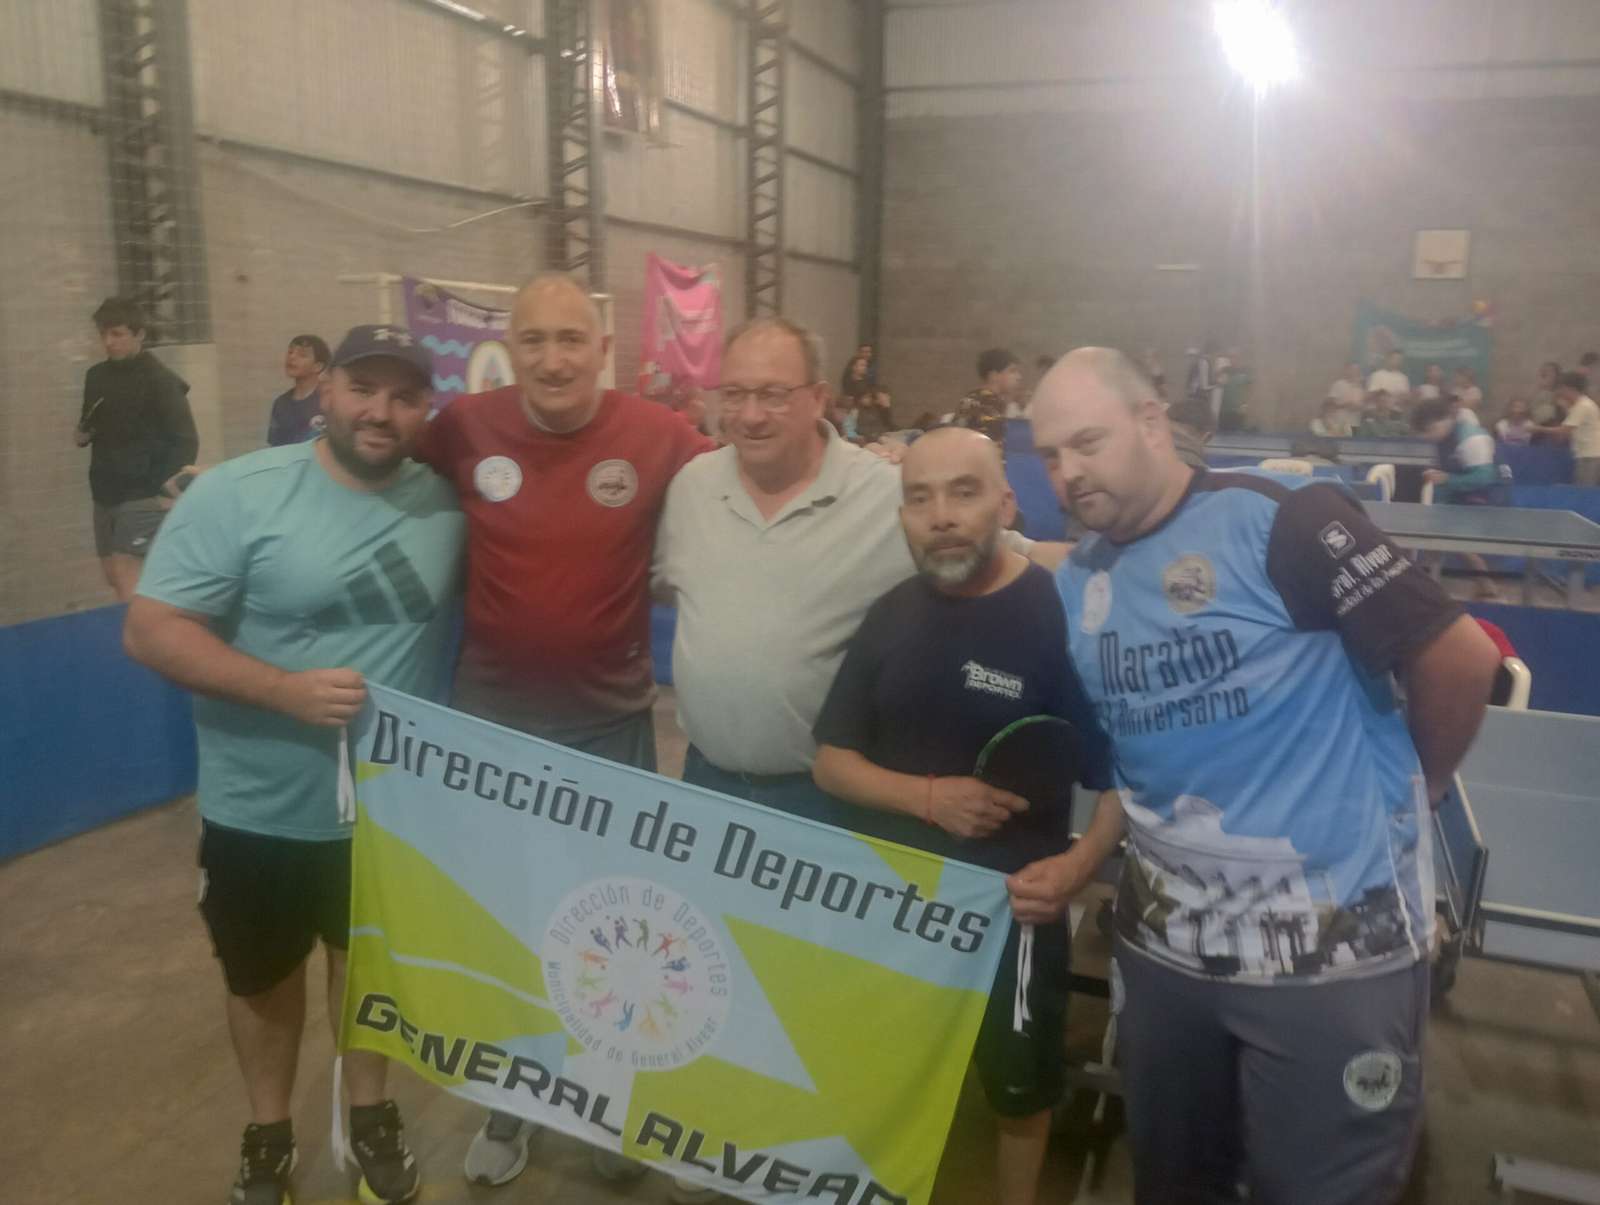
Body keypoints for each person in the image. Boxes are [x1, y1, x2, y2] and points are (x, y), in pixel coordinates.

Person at [1032, 347, 1500, 1205]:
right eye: (1049, 455)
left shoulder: (1285, 520)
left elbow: (1461, 659)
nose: (1068, 471)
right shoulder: (1080, 581)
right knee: (1174, 1184)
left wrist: (1423, 787)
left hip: (1333, 960)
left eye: (1087, 442)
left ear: (1150, 422)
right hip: (1167, 956)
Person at [123, 325, 463, 1205]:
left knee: (368, 972)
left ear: (426, 408)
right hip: (261, 807)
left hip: (389, 812)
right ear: (327, 391)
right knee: (264, 983)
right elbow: (151, 629)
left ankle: (370, 1115)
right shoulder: (240, 493)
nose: (380, 411)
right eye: (364, 388)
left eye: (404, 396)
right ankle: (269, 1134)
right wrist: (282, 691)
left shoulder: (446, 504)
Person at [413, 273, 717, 1195]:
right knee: (506, 931)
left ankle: (606, 1102)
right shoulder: (463, 427)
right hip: (491, 734)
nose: (552, 359)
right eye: (534, 340)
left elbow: (752, 481)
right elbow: (372, 475)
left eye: (570, 339)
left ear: (602, 350)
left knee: (611, 933)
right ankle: (510, 1102)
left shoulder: (660, 437)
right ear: (510, 348)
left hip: (610, 728)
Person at [811, 427, 1121, 1205]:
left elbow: (1122, 781)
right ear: (902, 516)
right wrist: (928, 798)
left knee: (1019, 1094)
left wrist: (1077, 868)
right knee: (880, 1077)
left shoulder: (1058, 617)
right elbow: (831, 762)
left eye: (963, 491)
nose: (941, 515)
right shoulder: (889, 615)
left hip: (1012, 916)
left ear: (1006, 504)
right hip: (893, 912)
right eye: (919, 498)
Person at [654, 318, 1051, 822]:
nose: (750, 416)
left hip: (823, 801)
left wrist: (1126, 563)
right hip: (703, 783)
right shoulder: (693, 487)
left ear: (819, 398)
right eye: (733, 394)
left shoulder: (885, 493)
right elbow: (669, 587)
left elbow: (1013, 557)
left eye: (773, 394)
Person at [76, 296, 199, 601]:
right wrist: (83, 433)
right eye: (104, 334)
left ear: (139, 334)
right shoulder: (96, 376)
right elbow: (87, 426)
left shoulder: (161, 380)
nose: (108, 342)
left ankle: (147, 631)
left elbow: (186, 440)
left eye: (117, 334)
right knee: (113, 576)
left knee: (127, 576)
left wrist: (161, 490)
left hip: (141, 494)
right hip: (104, 490)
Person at [1413, 397, 1502, 599]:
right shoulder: (1444, 437)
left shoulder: (1472, 439)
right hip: (1461, 492)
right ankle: (1435, 581)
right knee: (1439, 531)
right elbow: (1448, 472)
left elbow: (1485, 478)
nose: (1428, 438)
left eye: (1428, 433)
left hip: (1489, 495)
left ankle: (1485, 581)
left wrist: (1446, 479)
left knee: (1453, 536)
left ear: (1438, 423)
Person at [1536, 371, 1600, 486]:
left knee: (1585, 490)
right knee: (1582, 487)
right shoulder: (1579, 405)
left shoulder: (1583, 405)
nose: (1560, 392)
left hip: (1590, 455)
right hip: (1585, 453)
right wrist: (1565, 408)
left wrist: (1537, 429)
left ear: (1569, 388)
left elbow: (1564, 430)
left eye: (1562, 388)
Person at [266, 334, 331, 446]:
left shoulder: (330, 398)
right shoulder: (280, 403)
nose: (292, 357)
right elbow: (275, 448)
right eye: (290, 352)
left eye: (302, 355)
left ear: (318, 366)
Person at [957, 348, 1024, 443]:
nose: (1019, 377)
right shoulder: (989, 403)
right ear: (994, 375)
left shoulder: (971, 398)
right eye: (1012, 371)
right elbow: (992, 447)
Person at [1328, 361, 1366, 427]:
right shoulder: (1338, 384)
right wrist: (1345, 405)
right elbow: (1330, 404)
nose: (1354, 372)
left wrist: (1359, 407)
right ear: (1347, 370)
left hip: (1355, 424)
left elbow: (1363, 405)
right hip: (1339, 423)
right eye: (1352, 369)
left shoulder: (1361, 388)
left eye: (1357, 370)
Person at [1530, 361, 1563, 425]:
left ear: (1557, 376)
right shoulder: (1536, 392)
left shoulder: (1560, 393)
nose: (1544, 373)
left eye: (1550, 371)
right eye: (1543, 372)